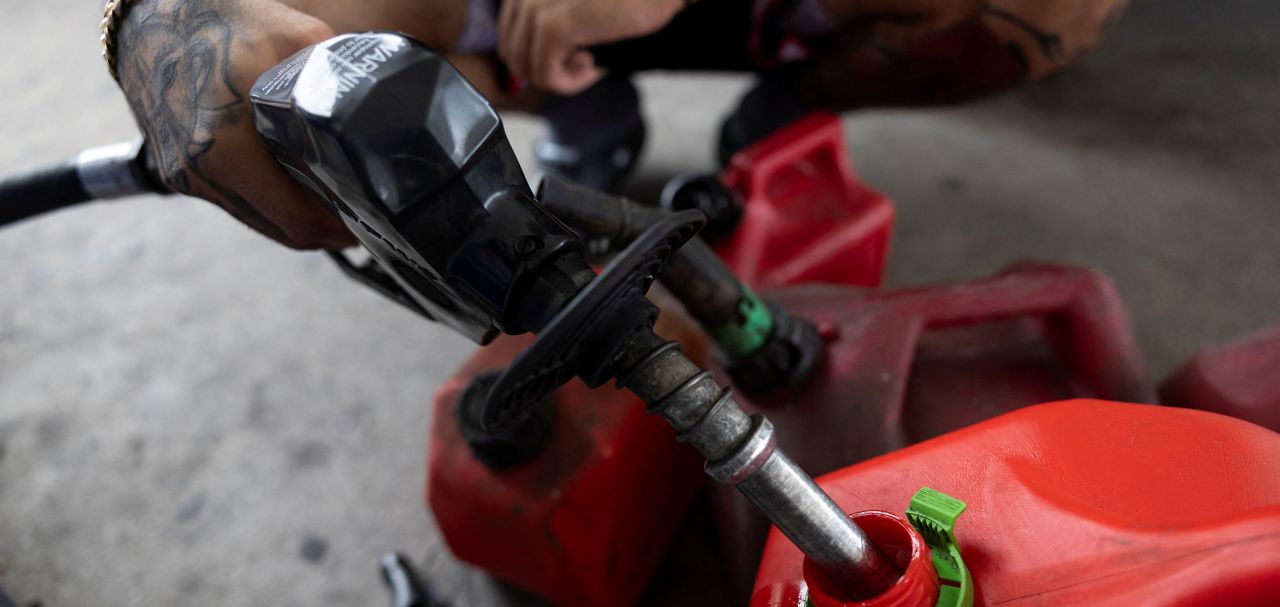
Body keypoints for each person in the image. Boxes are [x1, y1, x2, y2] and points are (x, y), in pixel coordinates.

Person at [109, 0, 1129, 251]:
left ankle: (795, 102)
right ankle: (572, 104)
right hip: (521, 25)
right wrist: (168, 39)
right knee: (256, 59)